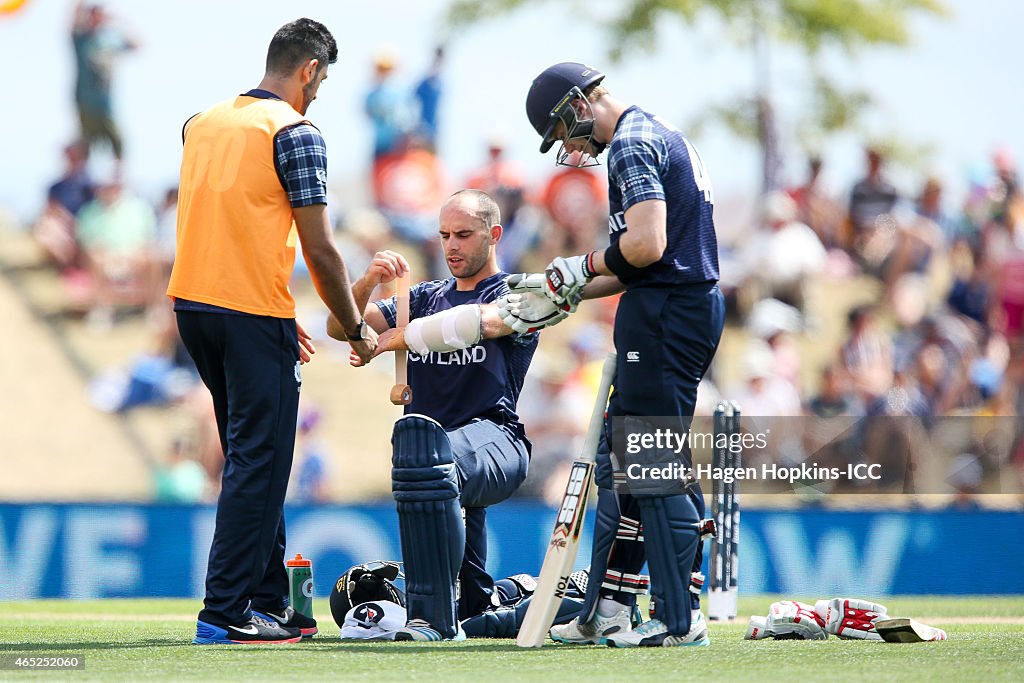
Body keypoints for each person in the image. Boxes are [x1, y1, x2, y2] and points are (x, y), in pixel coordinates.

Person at [167, 18, 376, 645]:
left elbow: (232, 219)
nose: (319, 94)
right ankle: (226, 612)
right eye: (323, 80)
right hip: (247, 311)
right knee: (261, 459)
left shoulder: (200, 122)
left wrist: (280, 320)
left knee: (256, 454)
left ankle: (266, 602)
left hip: (195, 308)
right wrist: (357, 327)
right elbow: (321, 249)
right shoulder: (295, 130)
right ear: (310, 69)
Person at [506, 62, 726, 648]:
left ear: (579, 104)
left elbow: (647, 246)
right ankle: (611, 608)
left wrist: (578, 268)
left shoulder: (630, 141)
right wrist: (564, 289)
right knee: (625, 465)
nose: (570, 148)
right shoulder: (656, 132)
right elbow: (634, 260)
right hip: (672, 306)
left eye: (564, 130)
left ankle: (680, 619)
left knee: (651, 462)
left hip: (667, 312)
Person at [327, 189, 554, 641]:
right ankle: (533, 596)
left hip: (497, 443)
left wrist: (403, 337)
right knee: (475, 611)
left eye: (464, 235)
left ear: (494, 235)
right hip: (438, 464)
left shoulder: (521, 292)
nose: (452, 245)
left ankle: (428, 621)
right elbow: (339, 326)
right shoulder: (423, 297)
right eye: (445, 235)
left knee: (426, 453)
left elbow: (486, 322)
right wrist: (369, 280)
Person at [70, 2, 137, 164]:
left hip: (105, 104)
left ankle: (117, 179)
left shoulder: (108, 41)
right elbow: (74, 18)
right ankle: (82, 179)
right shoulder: (82, 39)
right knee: (85, 144)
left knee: (117, 141)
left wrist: (117, 22)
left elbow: (136, 45)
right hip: (85, 101)